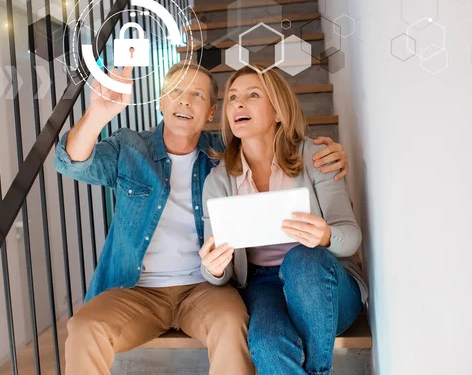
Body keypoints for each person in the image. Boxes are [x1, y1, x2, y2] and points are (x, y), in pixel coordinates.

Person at [54, 62, 350, 374]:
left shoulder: (225, 155)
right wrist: (98, 114)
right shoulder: (130, 148)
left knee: (232, 324)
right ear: (160, 102)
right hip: (135, 290)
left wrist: (328, 151)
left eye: (196, 94)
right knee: (84, 327)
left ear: (211, 112)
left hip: (206, 289)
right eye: (176, 92)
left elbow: (270, 140)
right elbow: (71, 163)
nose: (184, 100)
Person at [199, 65, 368, 375]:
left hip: (325, 284)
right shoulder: (218, 181)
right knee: (266, 342)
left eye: (252, 95)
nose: (238, 104)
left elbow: (351, 238)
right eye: (233, 97)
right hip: (262, 284)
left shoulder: (317, 157)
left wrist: (326, 236)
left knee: (302, 259)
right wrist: (212, 267)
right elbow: (218, 276)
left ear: (277, 110)